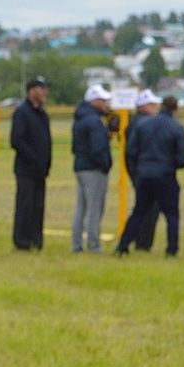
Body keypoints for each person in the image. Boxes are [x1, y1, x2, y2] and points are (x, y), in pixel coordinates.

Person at [114, 96, 184, 258]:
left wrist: (140, 167)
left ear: (161, 106)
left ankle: (122, 246)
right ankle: (171, 250)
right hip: (166, 175)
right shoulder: (176, 127)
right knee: (171, 214)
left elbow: (131, 151)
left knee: (139, 211)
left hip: (144, 175)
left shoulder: (143, 125)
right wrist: (172, 164)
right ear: (175, 109)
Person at [9, 75, 52, 249]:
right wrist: (34, 159)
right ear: (32, 90)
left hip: (40, 170)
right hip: (26, 169)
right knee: (25, 205)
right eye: (41, 88)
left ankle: (36, 239)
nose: (45, 92)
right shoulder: (22, 113)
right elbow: (17, 141)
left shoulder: (42, 114)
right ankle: (22, 240)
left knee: (38, 206)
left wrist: (46, 162)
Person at [70, 83, 113, 253]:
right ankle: (93, 244)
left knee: (81, 207)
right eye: (102, 100)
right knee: (95, 208)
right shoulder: (94, 121)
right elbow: (98, 148)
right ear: (94, 101)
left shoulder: (80, 119)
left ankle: (76, 244)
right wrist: (105, 165)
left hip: (81, 166)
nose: (105, 104)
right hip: (94, 169)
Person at [122, 89, 162, 251]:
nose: (155, 107)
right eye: (152, 104)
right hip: (144, 172)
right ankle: (142, 242)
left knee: (144, 206)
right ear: (144, 105)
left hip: (139, 171)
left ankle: (137, 240)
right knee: (149, 208)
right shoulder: (142, 124)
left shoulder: (135, 122)